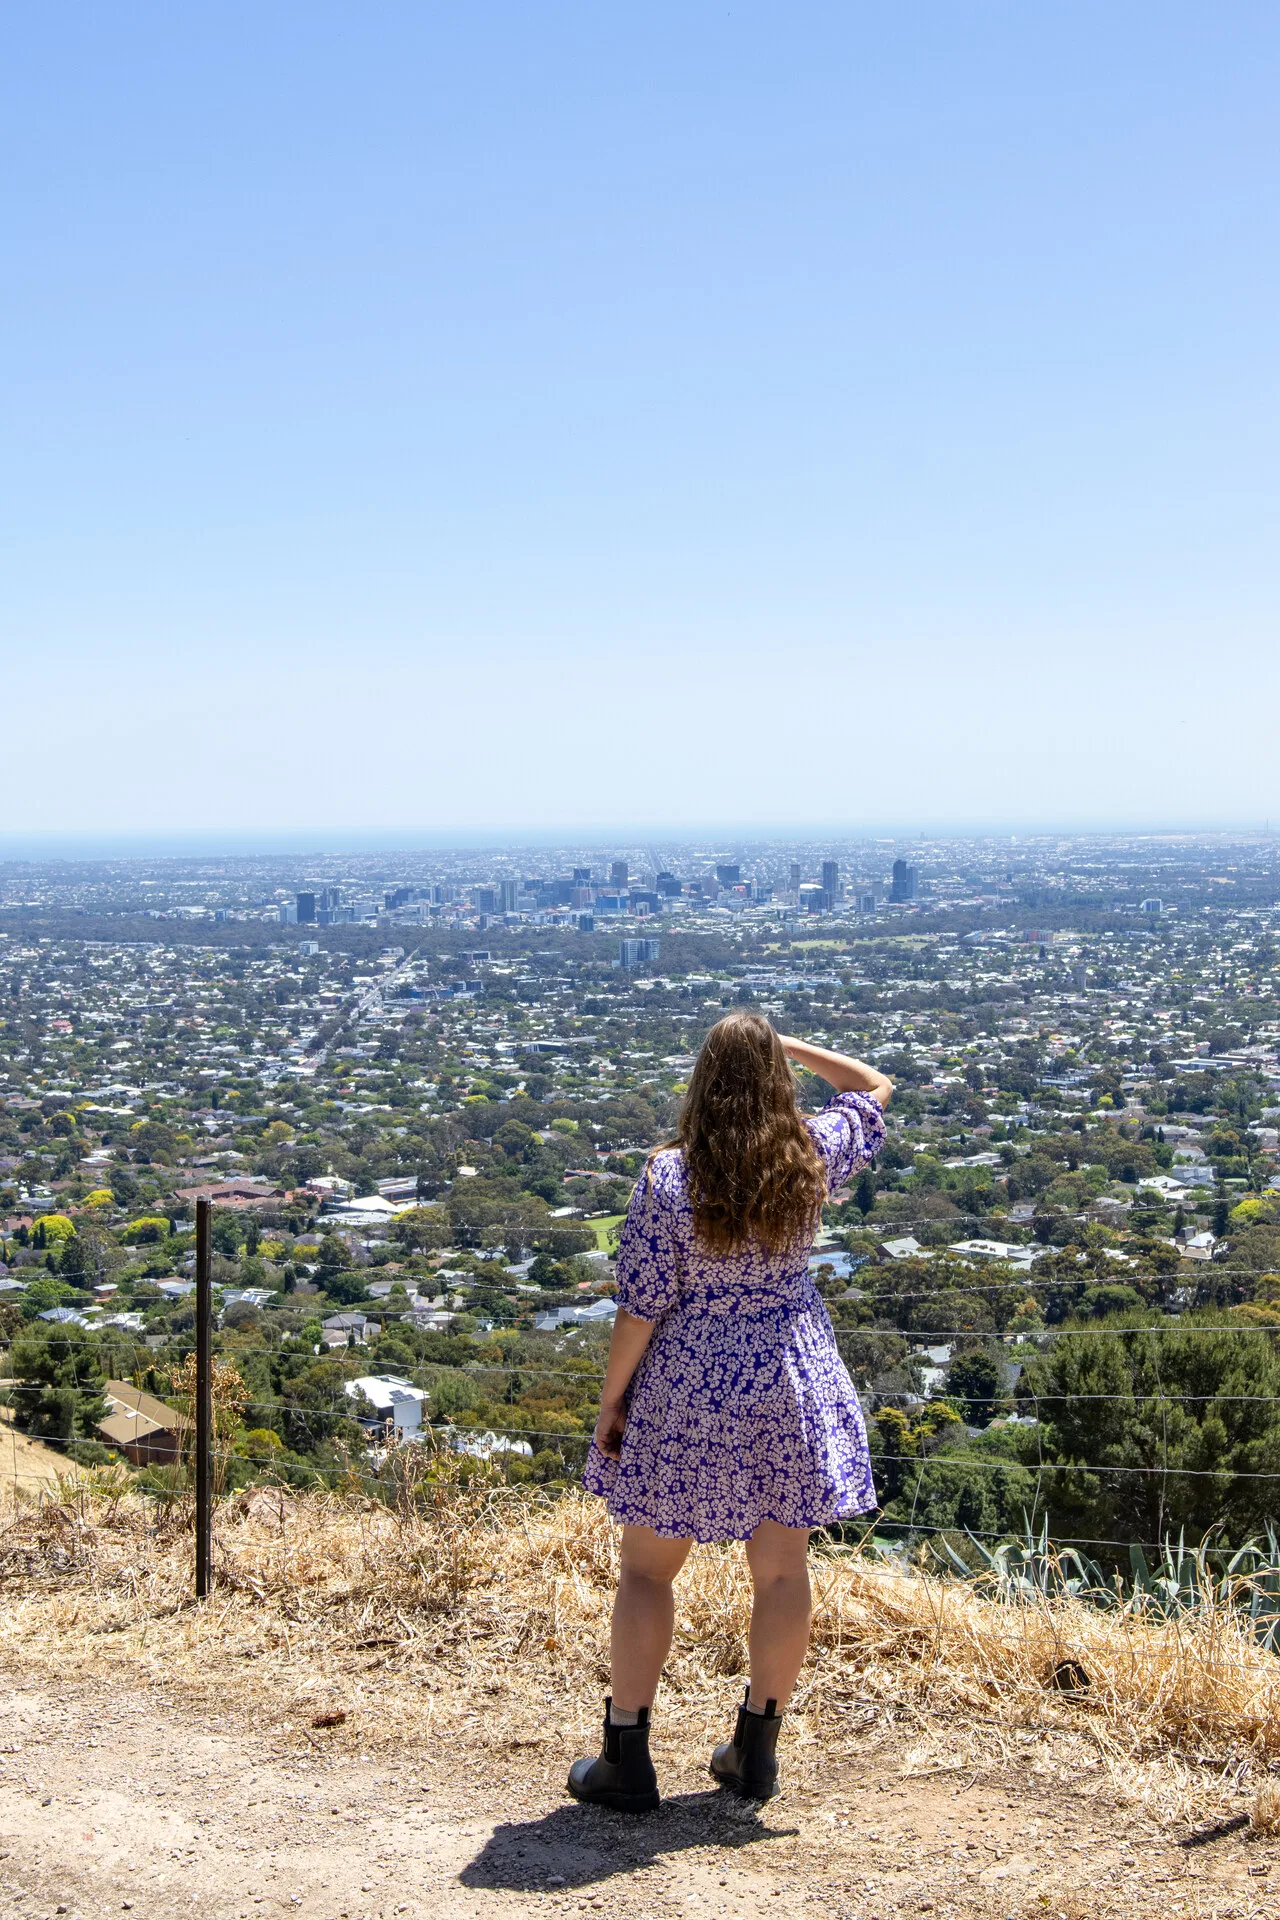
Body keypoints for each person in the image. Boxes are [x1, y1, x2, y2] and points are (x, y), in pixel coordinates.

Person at [567, 1012, 891, 1812]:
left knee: (647, 1570)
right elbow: (873, 1087)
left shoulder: (670, 1177)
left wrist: (614, 1401)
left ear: (701, 1084)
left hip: (688, 1380)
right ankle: (755, 1754)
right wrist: (793, 1047)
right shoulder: (808, 1154)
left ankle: (627, 1757)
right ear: (776, 1082)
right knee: (782, 1570)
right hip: (791, 1370)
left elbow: (640, 1305)